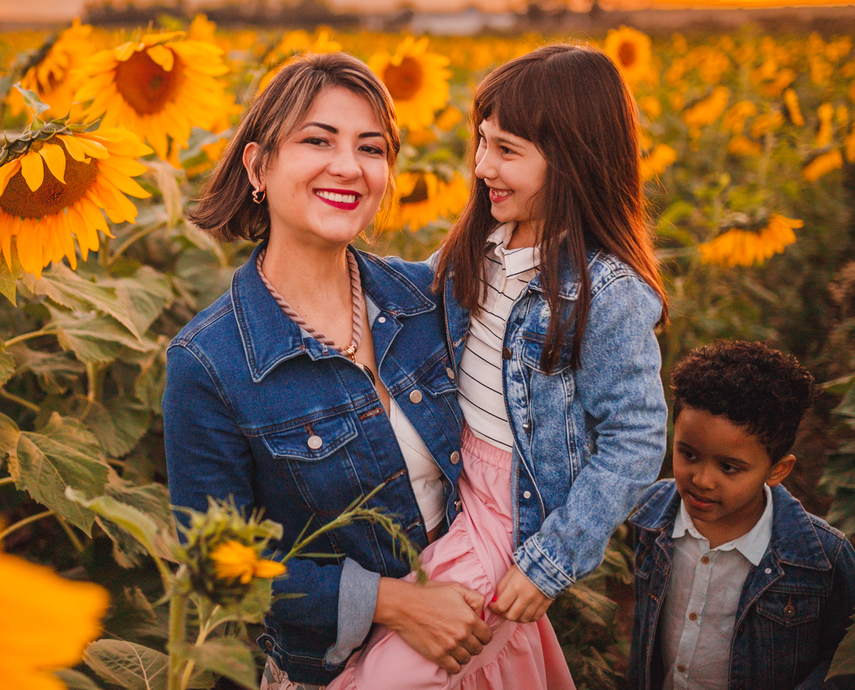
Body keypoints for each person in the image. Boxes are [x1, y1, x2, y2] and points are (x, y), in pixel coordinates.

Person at [331, 44, 669, 689]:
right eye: (481, 142)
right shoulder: (483, 240)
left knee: (390, 676)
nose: (483, 166)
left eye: (507, 150)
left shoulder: (605, 291)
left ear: (574, 162)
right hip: (450, 478)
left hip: (512, 511)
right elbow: (409, 299)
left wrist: (550, 563)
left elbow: (635, 439)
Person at [162, 51, 492, 690]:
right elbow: (218, 565)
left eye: (371, 148)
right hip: (333, 675)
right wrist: (395, 603)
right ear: (259, 166)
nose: (348, 166)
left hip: (480, 648)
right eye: (318, 140)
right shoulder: (209, 361)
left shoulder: (429, 299)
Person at [629, 340, 855, 690]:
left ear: (777, 470)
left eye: (729, 467)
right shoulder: (651, 513)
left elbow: (840, 657)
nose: (702, 480)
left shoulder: (822, 559)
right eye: (688, 454)